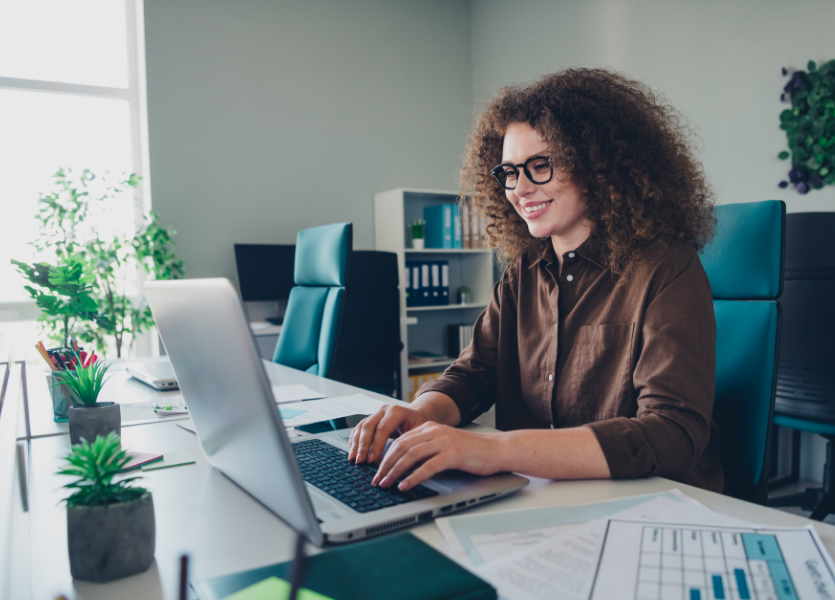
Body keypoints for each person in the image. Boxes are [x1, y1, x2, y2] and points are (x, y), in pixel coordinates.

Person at [348, 68, 722, 494]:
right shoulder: (522, 270)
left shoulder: (666, 267)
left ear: (600, 166)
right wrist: (420, 412)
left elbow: (673, 432)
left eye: (540, 165)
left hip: (645, 501)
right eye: (509, 171)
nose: (520, 188)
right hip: (538, 495)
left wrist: (495, 451)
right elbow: (475, 373)